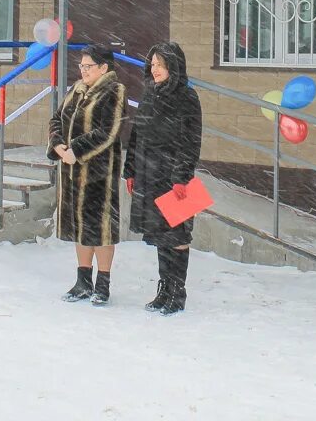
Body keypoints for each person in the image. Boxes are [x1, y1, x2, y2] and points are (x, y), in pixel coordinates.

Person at [123, 42, 203, 315]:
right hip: (150, 174)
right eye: (152, 64)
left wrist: (181, 176)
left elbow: (191, 141)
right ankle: (164, 288)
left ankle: (177, 292)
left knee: (177, 233)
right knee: (160, 234)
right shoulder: (149, 94)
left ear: (173, 65)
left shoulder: (187, 97)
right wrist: (130, 169)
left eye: (159, 64)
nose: (154, 69)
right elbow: (136, 134)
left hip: (175, 177)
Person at [48, 44, 129, 304]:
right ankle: (82, 281)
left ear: (103, 68)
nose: (83, 70)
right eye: (81, 66)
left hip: (99, 174)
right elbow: (56, 119)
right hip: (72, 172)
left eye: (88, 66)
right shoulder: (76, 89)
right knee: (80, 227)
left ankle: (102, 284)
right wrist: (58, 143)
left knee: (101, 229)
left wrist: (77, 150)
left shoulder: (114, 91)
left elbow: (109, 131)